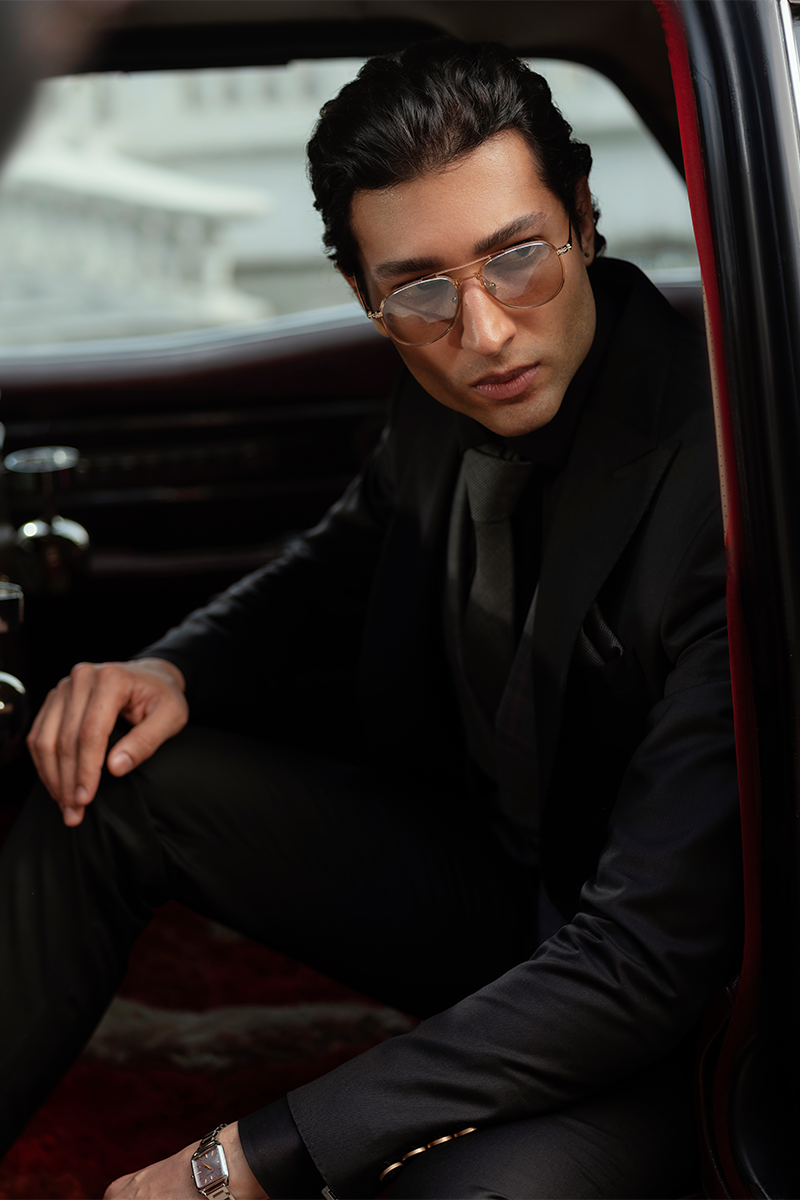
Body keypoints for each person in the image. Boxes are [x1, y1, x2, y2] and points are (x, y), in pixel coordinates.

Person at [1, 38, 741, 1200]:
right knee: (110, 771)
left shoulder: (723, 485)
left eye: (516, 258)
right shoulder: (437, 387)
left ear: (584, 219)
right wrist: (173, 671)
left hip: (656, 995)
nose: (482, 332)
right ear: (364, 294)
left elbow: (649, 958)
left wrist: (235, 1162)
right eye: (420, 290)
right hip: (496, 890)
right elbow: (339, 558)